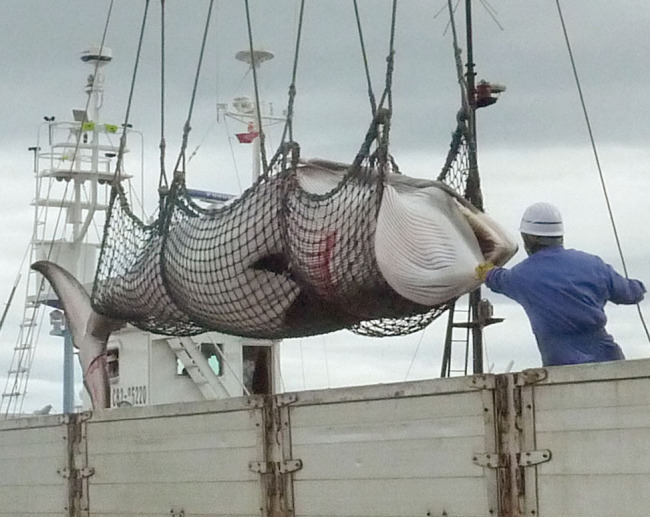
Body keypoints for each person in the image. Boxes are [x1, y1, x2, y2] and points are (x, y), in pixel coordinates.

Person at [475, 202, 646, 367]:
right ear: (559, 235)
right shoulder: (592, 264)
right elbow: (631, 293)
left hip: (561, 368)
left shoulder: (521, 276)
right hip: (610, 362)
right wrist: (639, 286)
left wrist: (484, 270)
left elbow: (496, 278)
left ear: (529, 237)